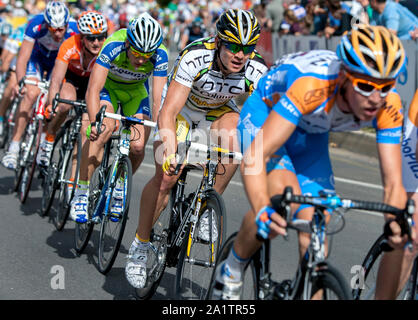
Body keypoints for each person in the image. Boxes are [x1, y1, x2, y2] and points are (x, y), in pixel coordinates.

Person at [212, 24, 416, 300]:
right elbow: (256, 156)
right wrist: (262, 207)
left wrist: (396, 220)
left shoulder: (388, 106)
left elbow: (393, 183)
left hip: (312, 131)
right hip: (266, 114)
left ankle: (309, 287)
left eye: (386, 87)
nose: (376, 98)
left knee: (319, 218)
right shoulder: (312, 87)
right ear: (344, 76)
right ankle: (233, 267)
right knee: (286, 204)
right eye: (366, 86)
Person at [124, 8, 268, 290]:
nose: (241, 55)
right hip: (183, 110)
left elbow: (262, 116)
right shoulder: (196, 56)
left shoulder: (256, 68)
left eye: (248, 48)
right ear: (218, 42)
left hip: (218, 111)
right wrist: (171, 148)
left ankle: (206, 209)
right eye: (234, 46)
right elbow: (168, 112)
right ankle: (140, 244)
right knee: (166, 176)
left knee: (236, 140)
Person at [69, 12, 168, 223]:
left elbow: (159, 99)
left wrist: (163, 130)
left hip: (136, 93)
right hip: (109, 89)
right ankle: (81, 191)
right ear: (128, 43)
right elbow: (93, 89)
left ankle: (119, 186)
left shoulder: (161, 54)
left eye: (147, 54)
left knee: (139, 145)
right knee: (102, 130)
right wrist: (95, 121)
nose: (141, 59)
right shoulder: (113, 45)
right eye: (136, 52)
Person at [1, 1, 78, 170]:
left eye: (61, 28)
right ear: (46, 24)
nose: (58, 33)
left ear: (67, 24)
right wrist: (22, 82)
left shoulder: (74, 30)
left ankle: (43, 143)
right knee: (30, 93)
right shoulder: (35, 24)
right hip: (37, 58)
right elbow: (23, 57)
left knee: (53, 103)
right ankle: (13, 149)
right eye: (53, 29)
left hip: (57, 63)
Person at [37, 10, 108, 167]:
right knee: (65, 103)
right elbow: (55, 80)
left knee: (86, 125)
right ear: (82, 38)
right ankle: (48, 140)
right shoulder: (69, 45)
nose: (96, 42)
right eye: (91, 38)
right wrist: (51, 104)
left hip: (92, 83)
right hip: (71, 79)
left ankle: (72, 183)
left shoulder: (106, 49)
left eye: (101, 37)